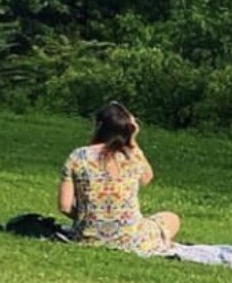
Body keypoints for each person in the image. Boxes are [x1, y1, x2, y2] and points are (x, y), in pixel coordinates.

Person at [58, 101, 180, 256]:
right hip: (131, 240)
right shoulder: (130, 157)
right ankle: (158, 241)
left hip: (87, 237)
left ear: (99, 126)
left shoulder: (78, 156)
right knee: (171, 218)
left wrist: (92, 218)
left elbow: (64, 206)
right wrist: (133, 141)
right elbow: (147, 178)